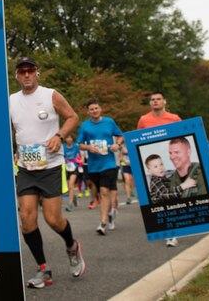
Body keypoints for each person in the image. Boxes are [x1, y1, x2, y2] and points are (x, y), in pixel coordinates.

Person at [9, 56, 86, 289]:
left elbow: (73, 117)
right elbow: (10, 129)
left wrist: (59, 136)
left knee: (52, 219)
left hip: (51, 166)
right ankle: (43, 269)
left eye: (30, 70)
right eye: (22, 71)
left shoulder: (51, 95)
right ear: (16, 76)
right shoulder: (11, 100)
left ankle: (72, 246)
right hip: (26, 168)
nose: (26, 75)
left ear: (37, 73)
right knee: (26, 220)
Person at [136, 92, 183, 247]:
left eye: (158, 99)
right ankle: (169, 231)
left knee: (174, 196)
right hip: (155, 163)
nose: (155, 101)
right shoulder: (144, 120)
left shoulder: (174, 118)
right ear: (150, 103)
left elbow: (184, 137)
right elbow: (137, 140)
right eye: (152, 100)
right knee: (159, 197)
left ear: (164, 102)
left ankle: (174, 232)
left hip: (171, 161)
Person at [76, 98, 124, 236]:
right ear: (88, 112)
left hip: (108, 163)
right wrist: (88, 147)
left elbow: (120, 136)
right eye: (91, 109)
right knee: (100, 194)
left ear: (100, 109)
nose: (94, 111)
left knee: (104, 191)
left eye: (96, 108)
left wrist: (117, 145)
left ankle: (102, 223)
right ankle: (109, 213)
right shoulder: (85, 126)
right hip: (93, 165)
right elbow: (79, 144)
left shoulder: (109, 122)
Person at [63, 134, 81, 211]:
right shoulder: (62, 147)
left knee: (71, 185)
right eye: (67, 137)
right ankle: (74, 197)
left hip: (74, 167)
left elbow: (80, 155)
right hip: (66, 168)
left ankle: (70, 205)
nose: (69, 139)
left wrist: (80, 160)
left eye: (70, 137)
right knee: (68, 187)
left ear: (73, 139)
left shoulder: (76, 146)